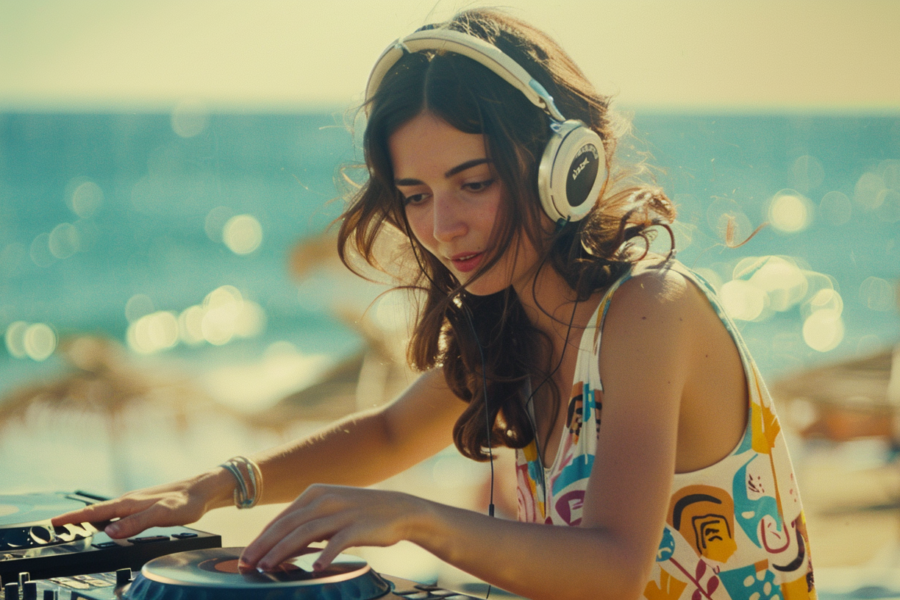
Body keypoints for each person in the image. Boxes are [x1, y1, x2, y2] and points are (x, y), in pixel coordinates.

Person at [54, 9, 815, 600]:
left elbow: (614, 569)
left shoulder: (651, 310)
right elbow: (389, 433)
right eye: (416, 196)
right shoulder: (512, 322)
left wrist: (414, 518)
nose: (441, 227)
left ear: (563, 168)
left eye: (473, 183)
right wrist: (219, 484)